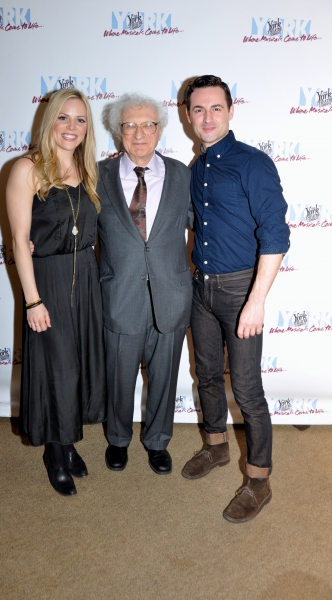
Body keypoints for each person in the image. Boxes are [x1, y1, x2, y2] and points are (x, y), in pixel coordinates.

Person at [182, 75, 290, 522]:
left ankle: (259, 481)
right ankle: (216, 446)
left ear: (231, 111)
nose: (207, 118)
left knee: (246, 389)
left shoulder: (253, 164)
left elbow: (277, 234)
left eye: (216, 109)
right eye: (199, 110)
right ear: (189, 116)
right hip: (200, 288)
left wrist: (257, 300)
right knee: (206, 374)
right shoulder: (195, 168)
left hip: (241, 289)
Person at [6, 89, 106, 497]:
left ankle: (69, 441)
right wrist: (32, 299)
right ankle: (56, 452)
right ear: (50, 122)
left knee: (80, 365)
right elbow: (18, 239)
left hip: (86, 278)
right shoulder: (26, 168)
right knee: (58, 368)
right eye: (63, 118)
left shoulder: (88, 168)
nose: (72, 127)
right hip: (47, 278)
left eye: (80, 120)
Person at [98, 93, 193, 475]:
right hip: (119, 295)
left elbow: (202, 223)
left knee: (165, 377)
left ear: (160, 129)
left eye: (148, 124)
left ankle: (157, 442)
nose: (140, 133)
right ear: (118, 131)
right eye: (130, 125)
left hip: (171, 295)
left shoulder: (182, 174)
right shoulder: (98, 176)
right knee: (118, 376)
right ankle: (117, 439)